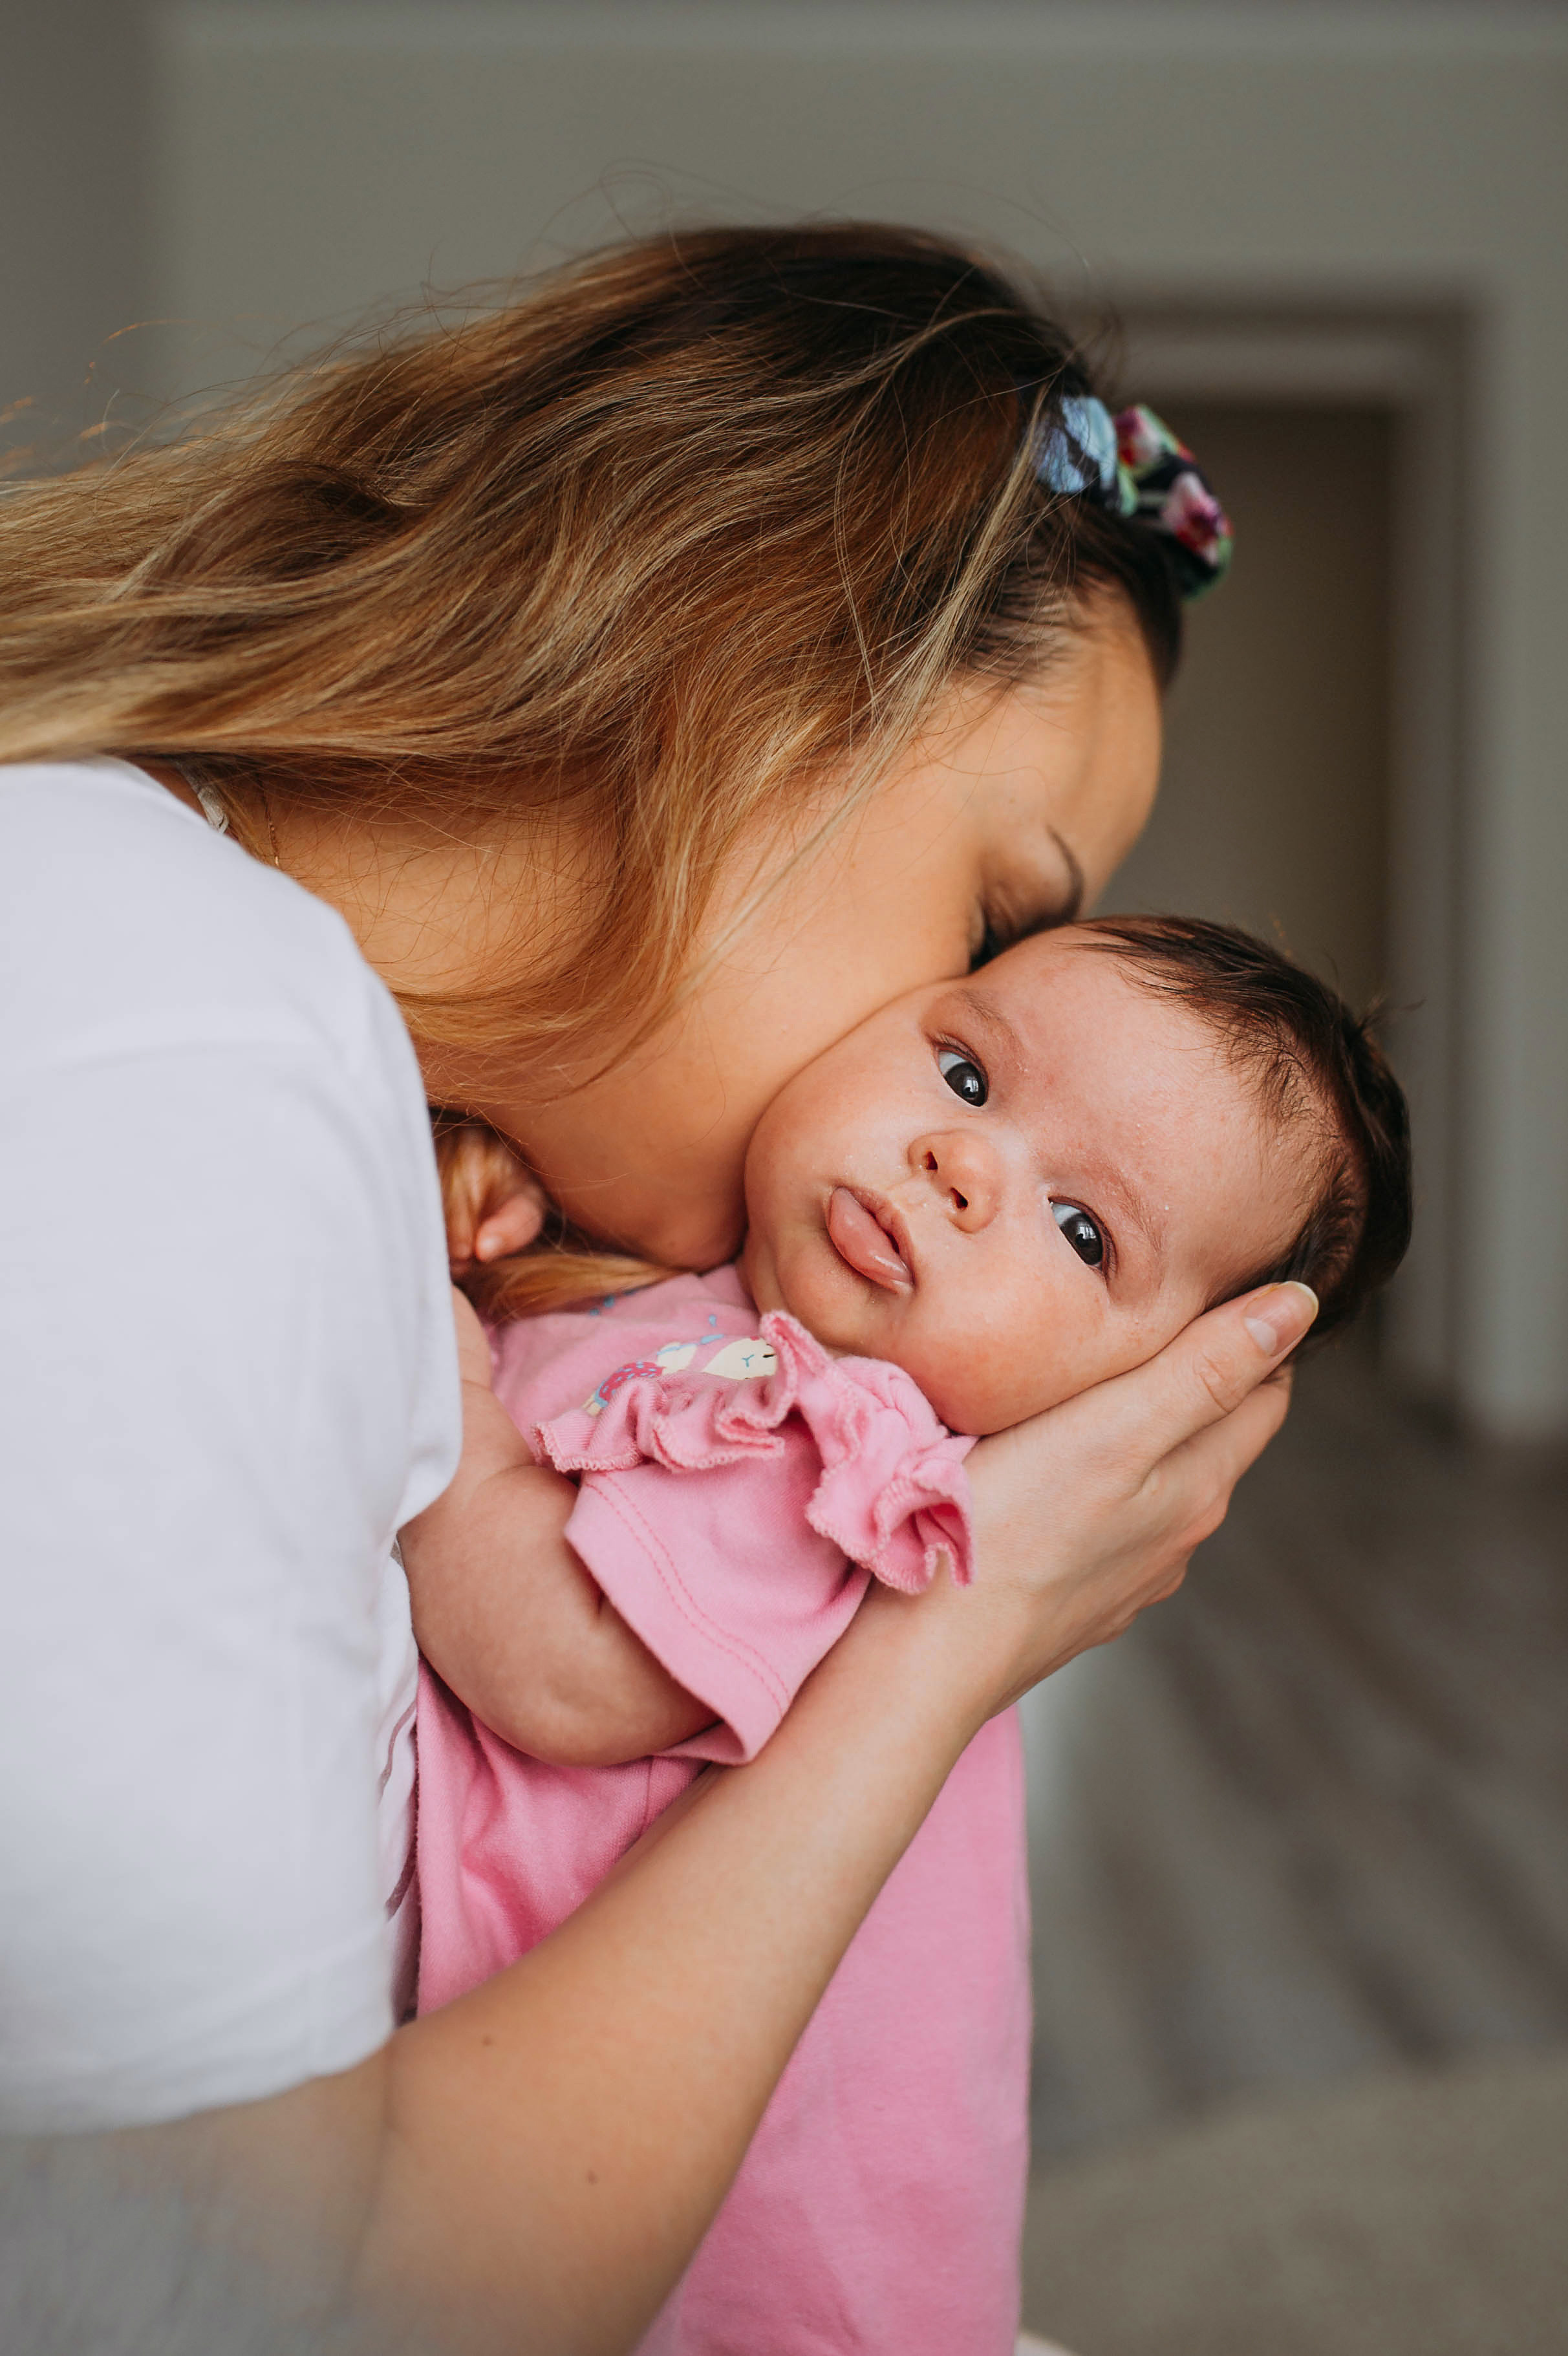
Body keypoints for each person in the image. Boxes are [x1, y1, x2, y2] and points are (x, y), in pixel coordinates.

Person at [0, 225, 1320, 2354]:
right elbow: (305, 2309)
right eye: (988, 936)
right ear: (740, 648)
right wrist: (955, 1631)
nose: (941, 1111)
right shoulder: (168, 1073)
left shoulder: (272, 1057)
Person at [407, 916, 1412, 2355]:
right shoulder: (720, 1319)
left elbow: (556, 1663)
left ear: (1134, 1407)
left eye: (1081, 1230)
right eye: (961, 1070)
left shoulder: (843, 1446)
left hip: (723, 2286)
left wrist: (427, 1351)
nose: (963, 1163)